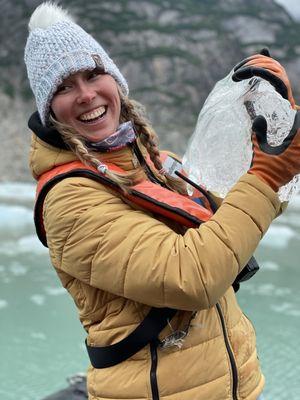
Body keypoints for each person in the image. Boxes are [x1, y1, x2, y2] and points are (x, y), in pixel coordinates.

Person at [24, 2, 300, 400]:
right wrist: (267, 177)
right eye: (63, 87)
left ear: (114, 80)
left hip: (227, 386)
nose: (85, 95)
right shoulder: (69, 201)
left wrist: (273, 123)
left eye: (92, 74)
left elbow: (234, 221)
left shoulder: (151, 161)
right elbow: (192, 277)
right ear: (48, 108)